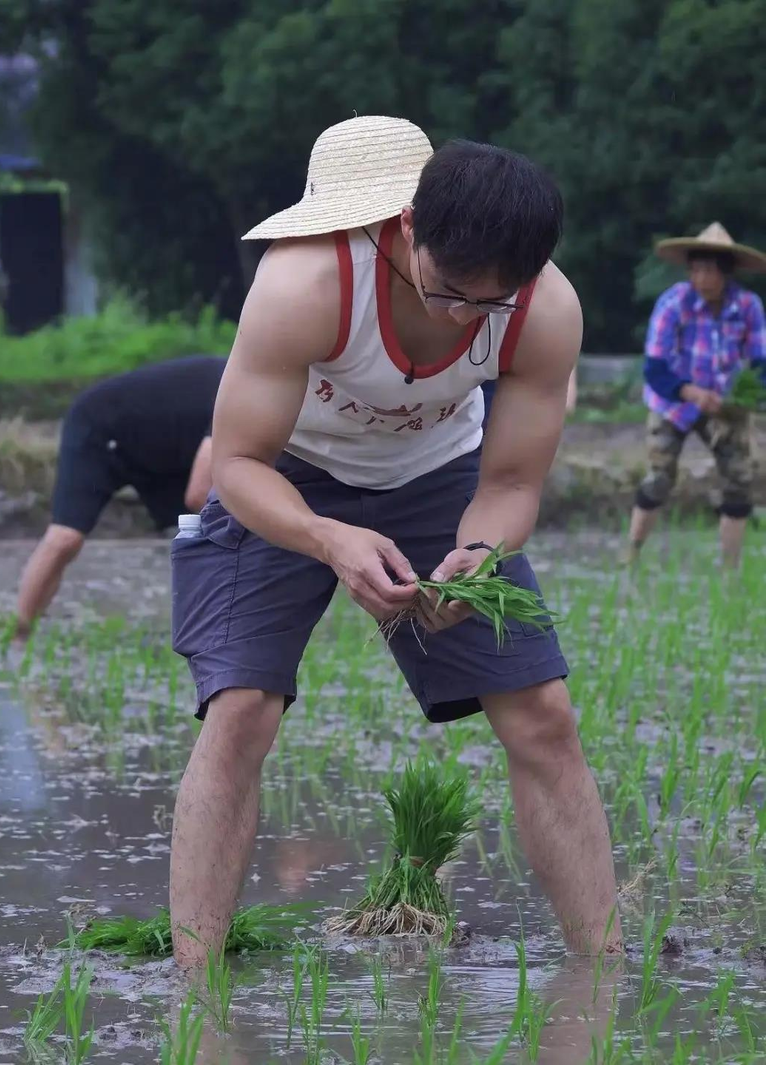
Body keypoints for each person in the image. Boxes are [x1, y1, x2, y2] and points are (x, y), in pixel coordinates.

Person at [169, 116, 621, 966]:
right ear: (406, 228)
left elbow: (512, 481)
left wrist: (478, 557)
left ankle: (605, 973)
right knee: (240, 711)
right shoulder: (306, 283)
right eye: (448, 287)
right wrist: (328, 537)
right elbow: (235, 463)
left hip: (438, 474)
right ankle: (196, 991)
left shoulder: (544, 310)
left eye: (493, 300)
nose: (464, 316)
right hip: (285, 475)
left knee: (543, 715)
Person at [15, 354, 225, 635]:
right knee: (66, 538)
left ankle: (213, 631)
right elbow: (200, 494)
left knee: (209, 536)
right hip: (101, 429)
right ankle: (17, 636)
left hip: (163, 452)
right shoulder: (241, 392)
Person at [628, 223, 766, 567]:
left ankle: (730, 570)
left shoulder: (747, 306)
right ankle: (630, 555)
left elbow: (760, 363)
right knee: (660, 476)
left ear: (725, 272)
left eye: (708, 269)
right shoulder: (674, 303)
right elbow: (655, 367)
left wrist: (740, 398)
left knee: (739, 477)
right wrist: (691, 393)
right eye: (696, 269)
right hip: (674, 402)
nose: (701, 277)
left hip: (725, 404)